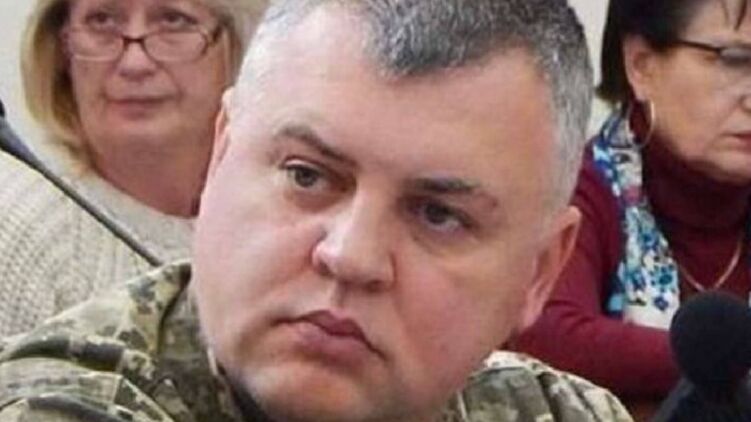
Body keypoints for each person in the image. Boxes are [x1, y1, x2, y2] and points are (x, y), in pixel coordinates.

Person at [0, 0, 633, 421]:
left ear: (539, 273)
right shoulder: (63, 402)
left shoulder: (556, 411)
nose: (350, 256)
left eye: (437, 214)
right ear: (221, 155)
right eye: (307, 176)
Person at [514, 0, 751, 415]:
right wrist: (724, 361)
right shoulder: (580, 188)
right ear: (641, 66)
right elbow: (543, 330)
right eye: (734, 60)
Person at [0, 0, 266, 336]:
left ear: (238, 48)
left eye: (173, 20)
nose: (134, 63)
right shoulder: (18, 230)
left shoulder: (284, 227)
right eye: (101, 21)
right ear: (61, 51)